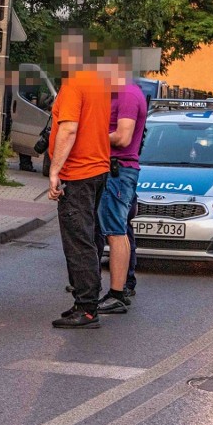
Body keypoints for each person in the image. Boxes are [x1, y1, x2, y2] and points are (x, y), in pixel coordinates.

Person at [48, 34, 112, 329]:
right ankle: (84, 302)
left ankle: (87, 308)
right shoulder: (98, 82)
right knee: (89, 236)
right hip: (98, 169)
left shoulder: (74, 84)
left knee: (78, 240)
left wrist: (55, 170)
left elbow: (69, 129)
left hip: (78, 172)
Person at [95, 56, 148, 314]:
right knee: (120, 228)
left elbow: (123, 136)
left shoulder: (127, 94)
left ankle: (117, 293)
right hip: (118, 170)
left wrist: (91, 139)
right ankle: (123, 286)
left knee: (115, 231)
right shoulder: (123, 92)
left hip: (118, 170)